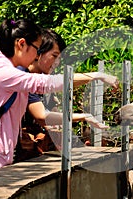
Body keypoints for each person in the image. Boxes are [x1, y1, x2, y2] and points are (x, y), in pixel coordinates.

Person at [0, 19, 119, 174]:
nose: (37, 55)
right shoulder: (4, 73)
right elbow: (47, 84)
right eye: (36, 49)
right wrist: (95, 75)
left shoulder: (2, 68)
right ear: (21, 44)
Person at [15, 29, 111, 161]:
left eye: (59, 58)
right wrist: (83, 116)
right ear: (38, 53)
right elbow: (42, 116)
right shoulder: (23, 77)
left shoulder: (36, 79)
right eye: (54, 56)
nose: (57, 62)